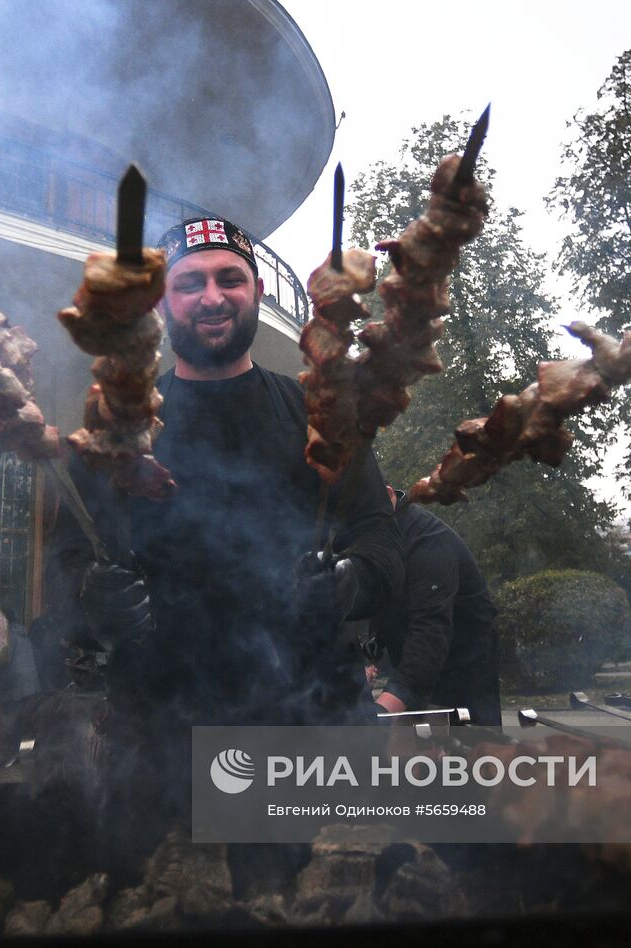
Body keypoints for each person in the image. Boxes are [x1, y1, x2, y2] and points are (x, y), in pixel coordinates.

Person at [48, 217, 404, 853]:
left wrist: (347, 583)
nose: (211, 297)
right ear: (164, 301)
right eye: (190, 283)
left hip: (308, 725)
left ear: (259, 289)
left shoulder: (319, 415)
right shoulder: (116, 427)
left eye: (229, 278)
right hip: (161, 733)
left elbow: (381, 542)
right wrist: (89, 592)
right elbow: (66, 558)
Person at [369, 485, 502, 727]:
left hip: (464, 668)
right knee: (412, 753)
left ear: (388, 494)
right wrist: (368, 658)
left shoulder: (429, 542)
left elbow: (430, 631)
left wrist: (383, 711)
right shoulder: (376, 541)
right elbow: (376, 604)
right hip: (414, 665)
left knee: (472, 754)